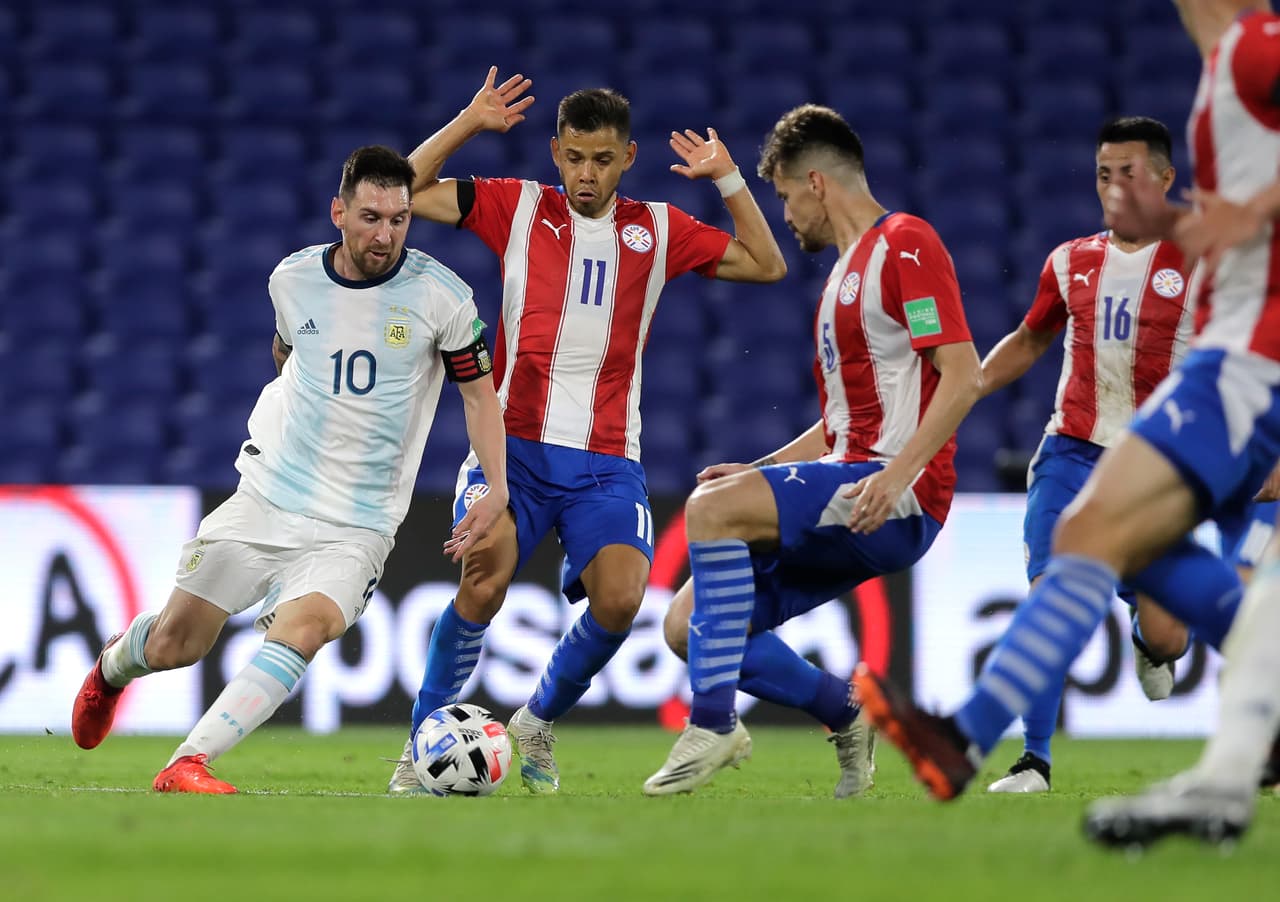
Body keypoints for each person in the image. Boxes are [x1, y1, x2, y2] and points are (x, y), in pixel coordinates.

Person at [856, 0, 1280, 847]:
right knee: (1091, 539)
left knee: (1110, 552)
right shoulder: (1229, 61)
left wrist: (1257, 207)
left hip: (1246, 362)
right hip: (1173, 390)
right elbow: (1031, 336)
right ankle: (983, 744)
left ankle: (967, 737)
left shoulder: (1260, 49)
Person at [389, 68, 787, 795]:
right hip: (511, 447)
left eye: (602, 160)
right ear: (555, 153)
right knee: (486, 576)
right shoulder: (517, 207)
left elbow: (768, 263)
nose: (586, 173)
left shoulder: (658, 228)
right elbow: (399, 196)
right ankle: (421, 742)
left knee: (621, 598)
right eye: (574, 157)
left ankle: (537, 719)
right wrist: (469, 122)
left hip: (607, 461)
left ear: (626, 159)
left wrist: (729, 177)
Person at [70, 146, 510, 793]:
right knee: (175, 645)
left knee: (304, 629)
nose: (384, 234)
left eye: (398, 219)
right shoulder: (293, 279)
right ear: (339, 212)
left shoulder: (443, 298)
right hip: (270, 497)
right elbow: (287, 355)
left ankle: (188, 762)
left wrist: (496, 488)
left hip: (358, 524)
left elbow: (479, 395)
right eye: (369, 217)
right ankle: (112, 667)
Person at [643, 103, 983, 796]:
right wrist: (760, 472)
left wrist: (899, 475)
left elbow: (962, 371)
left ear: (817, 183)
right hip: (850, 476)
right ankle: (843, 710)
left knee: (709, 512)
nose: (788, 215)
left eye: (785, 196)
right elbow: (838, 425)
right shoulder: (838, 283)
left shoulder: (906, 246)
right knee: (687, 625)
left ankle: (712, 723)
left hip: (895, 493)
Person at [980, 116, 1198, 794]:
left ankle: (1144, 639)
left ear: (1164, 179)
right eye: (1103, 173)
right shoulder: (1070, 259)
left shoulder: (1203, 262)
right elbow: (1029, 336)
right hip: (1070, 453)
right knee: (1051, 597)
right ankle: (1034, 762)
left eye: (1128, 173)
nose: (1113, 187)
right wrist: (967, 387)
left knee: (1169, 637)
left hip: (1156, 469)